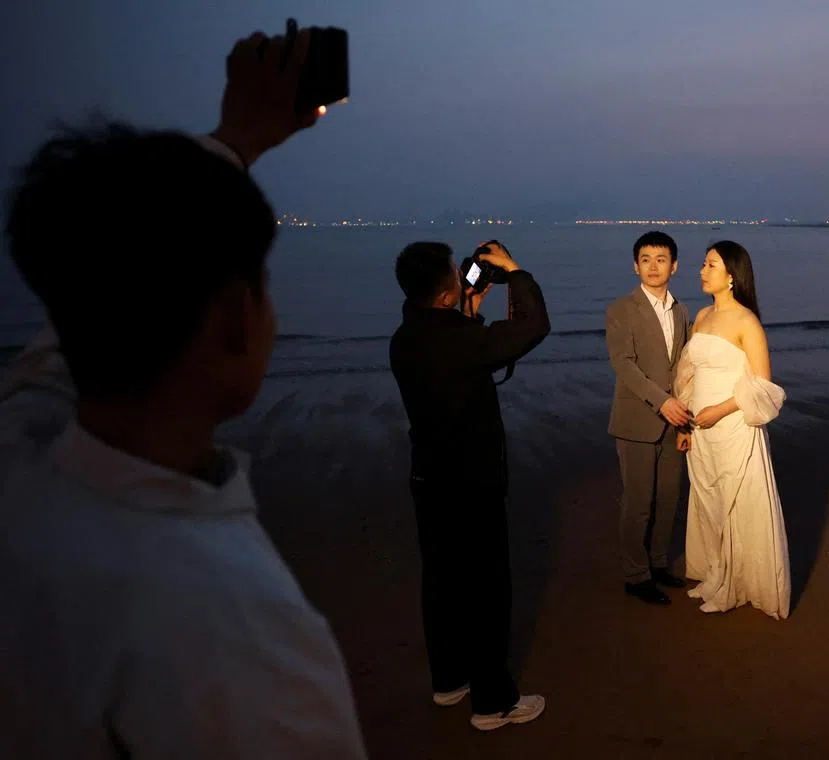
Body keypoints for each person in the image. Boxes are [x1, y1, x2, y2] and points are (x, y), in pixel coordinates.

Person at [0, 28, 368, 759]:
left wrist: (237, 139)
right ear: (237, 315)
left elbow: (67, 330)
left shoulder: (18, 460)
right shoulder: (238, 631)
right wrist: (237, 139)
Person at [388, 240, 550, 731]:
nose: (465, 279)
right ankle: (493, 703)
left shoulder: (405, 337)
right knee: (485, 589)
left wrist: (469, 312)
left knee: (442, 582)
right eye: (457, 275)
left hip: (429, 477)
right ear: (444, 290)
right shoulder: (459, 338)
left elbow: (457, 358)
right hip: (472, 480)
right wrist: (515, 271)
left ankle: (449, 681)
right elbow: (534, 326)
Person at [674, 241, 790, 616]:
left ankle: (735, 586)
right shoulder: (703, 317)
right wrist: (688, 421)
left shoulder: (746, 322)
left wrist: (719, 411)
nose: (702, 271)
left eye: (711, 265)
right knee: (708, 501)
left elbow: (764, 385)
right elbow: (689, 373)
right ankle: (716, 573)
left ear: (731, 276)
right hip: (701, 426)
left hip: (734, 425)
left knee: (734, 503)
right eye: (703, 264)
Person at [605, 231, 692, 605]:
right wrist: (662, 402)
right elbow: (623, 365)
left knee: (669, 499)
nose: (653, 266)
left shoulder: (682, 311)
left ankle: (657, 564)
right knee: (639, 502)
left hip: (674, 423)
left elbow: (684, 368)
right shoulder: (620, 310)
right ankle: (635, 575)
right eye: (645, 259)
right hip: (636, 421)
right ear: (634, 265)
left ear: (674, 265)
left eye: (660, 259)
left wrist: (683, 420)